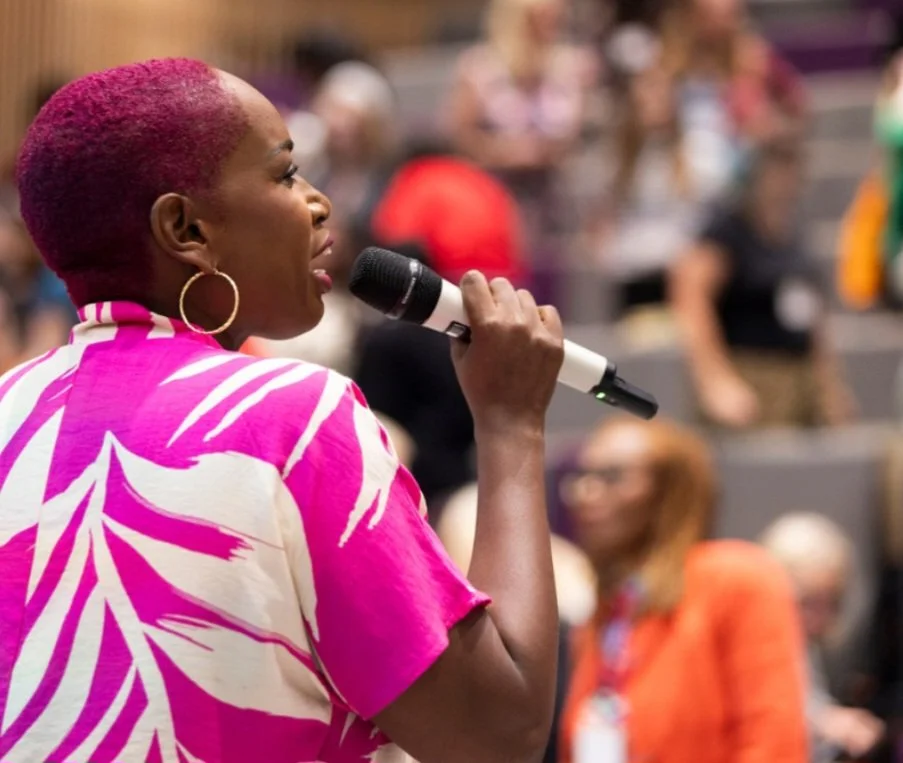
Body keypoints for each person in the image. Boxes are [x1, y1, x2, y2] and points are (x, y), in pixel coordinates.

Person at [3, 58, 566, 763]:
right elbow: (495, 732)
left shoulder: (6, 412)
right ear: (187, 228)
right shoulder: (290, 419)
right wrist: (512, 423)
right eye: (284, 174)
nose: (319, 202)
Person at [558, 416, 809, 763]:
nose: (585, 493)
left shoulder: (738, 579)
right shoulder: (608, 610)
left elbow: (773, 744)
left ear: (669, 490)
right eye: (582, 476)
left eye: (612, 476)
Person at [671, 136, 855, 429]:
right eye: (775, 166)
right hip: (751, 377)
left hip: (798, 379)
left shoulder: (794, 234)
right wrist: (715, 380)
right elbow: (691, 299)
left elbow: (812, 316)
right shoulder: (726, 230)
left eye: (791, 166)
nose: (785, 179)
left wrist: (829, 386)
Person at [762, 513, 887, 763]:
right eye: (806, 603)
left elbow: (810, 700)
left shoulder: (803, 642)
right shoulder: (755, 644)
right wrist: (822, 721)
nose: (819, 620)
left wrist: (835, 718)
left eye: (830, 603)